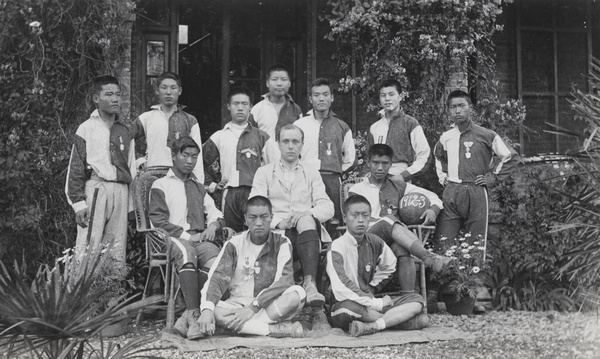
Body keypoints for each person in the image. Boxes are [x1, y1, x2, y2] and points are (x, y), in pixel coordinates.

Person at [249, 124, 335, 307]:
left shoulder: (311, 172)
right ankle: (303, 288)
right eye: (286, 141)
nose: (290, 146)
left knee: (305, 219)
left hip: (307, 229)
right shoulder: (264, 173)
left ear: (302, 144)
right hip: (276, 231)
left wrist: (305, 213)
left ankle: (309, 284)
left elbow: (328, 207)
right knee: (301, 226)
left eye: (295, 142)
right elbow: (256, 206)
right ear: (278, 144)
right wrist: (280, 223)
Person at [197, 196, 306, 338]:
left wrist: (253, 307)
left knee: (297, 294)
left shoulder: (282, 242)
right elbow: (217, 277)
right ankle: (276, 330)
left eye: (264, 217)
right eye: (253, 218)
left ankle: (240, 327)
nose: (259, 223)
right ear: (245, 219)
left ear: (271, 218)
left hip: (268, 305)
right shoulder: (234, 243)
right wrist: (207, 310)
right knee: (215, 311)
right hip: (238, 306)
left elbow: (284, 281)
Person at [348, 144, 452, 293]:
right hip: (364, 240)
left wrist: (433, 210)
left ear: (391, 165)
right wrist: (382, 222)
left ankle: (409, 298)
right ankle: (428, 257)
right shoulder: (357, 190)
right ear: (368, 163)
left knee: (401, 248)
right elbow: (356, 220)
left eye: (385, 163)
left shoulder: (398, 186)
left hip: (389, 241)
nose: (380, 168)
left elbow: (433, 197)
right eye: (376, 163)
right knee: (388, 220)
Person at [148, 137, 222, 340]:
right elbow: (158, 221)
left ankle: (187, 317)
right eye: (185, 155)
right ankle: (195, 315)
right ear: (174, 156)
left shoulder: (198, 187)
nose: (190, 161)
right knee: (187, 251)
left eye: (194, 157)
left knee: (215, 258)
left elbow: (215, 212)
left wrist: (213, 226)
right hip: (170, 239)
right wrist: (190, 236)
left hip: (198, 239)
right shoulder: (160, 184)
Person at [327, 195, 428, 337]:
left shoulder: (375, 242)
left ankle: (374, 325)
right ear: (345, 218)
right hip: (344, 304)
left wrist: (373, 287)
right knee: (352, 308)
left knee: (416, 300)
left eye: (365, 215)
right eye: (355, 215)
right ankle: (395, 320)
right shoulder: (337, 246)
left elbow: (390, 265)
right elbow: (340, 286)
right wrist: (377, 304)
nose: (361, 220)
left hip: (370, 302)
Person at [65, 75, 136, 271]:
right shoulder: (87, 128)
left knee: (116, 249)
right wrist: (78, 204)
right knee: (89, 245)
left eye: (118, 95)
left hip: (120, 191)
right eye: (109, 94)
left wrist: (131, 206)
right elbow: (76, 168)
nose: (115, 99)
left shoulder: (125, 130)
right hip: (96, 189)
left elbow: (131, 168)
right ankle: (82, 297)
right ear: (96, 98)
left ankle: (111, 299)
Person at [434, 90, 518, 243]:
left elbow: (510, 157)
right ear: (449, 111)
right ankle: (447, 267)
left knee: (476, 242)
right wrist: (443, 177)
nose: (457, 110)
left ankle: (475, 267)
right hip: (452, 191)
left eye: (461, 106)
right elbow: (439, 157)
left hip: (476, 190)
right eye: (453, 107)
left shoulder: (486, 135)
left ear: (470, 108)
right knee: (444, 241)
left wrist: (492, 178)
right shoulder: (446, 137)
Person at [203, 86, 279, 232]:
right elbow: (201, 164)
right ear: (228, 106)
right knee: (230, 234)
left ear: (251, 107)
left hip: (255, 192)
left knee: (256, 233)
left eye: (244, 104)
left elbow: (274, 166)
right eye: (235, 104)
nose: (240, 108)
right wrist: (213, 185)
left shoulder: (262, 137)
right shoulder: (219, 136)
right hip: (229, 194)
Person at [294, 78, 355, 223]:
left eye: (325, 94)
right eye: (316, 95)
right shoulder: (299, 125)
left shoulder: (342, 126)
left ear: (332, 97)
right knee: (305, 218)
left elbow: (351, 160)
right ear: (310, 98)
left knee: (333, 221)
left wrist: (335, 170)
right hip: (304, 180)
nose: (321, 99)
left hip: (332, 181)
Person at [130, 72, 204, 182]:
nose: (168, 92)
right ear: (157, 90)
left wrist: (198, 182)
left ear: (180, 91)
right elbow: (127, 137)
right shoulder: (146, 118)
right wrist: (139, 160)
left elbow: (197, 153)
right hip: (152, 176)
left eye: (173, 88)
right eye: (164, 88)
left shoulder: (190, 120)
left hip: (180, 177)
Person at [367, 79, 431, 182]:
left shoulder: (410, 124)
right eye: (383, 95)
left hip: (401, 180)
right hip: (377, 179)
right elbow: (369, 158)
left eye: (391, 94)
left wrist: (404, 175)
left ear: (400, 96)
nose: (387, 99)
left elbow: (425, 156)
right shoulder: (375, 128)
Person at [250, 64, 303, 140]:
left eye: (284, 79)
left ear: (289, 83)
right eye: (274, 79)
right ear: (267, 83)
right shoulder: (257, 109)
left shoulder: (296, 109)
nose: (279, 84)